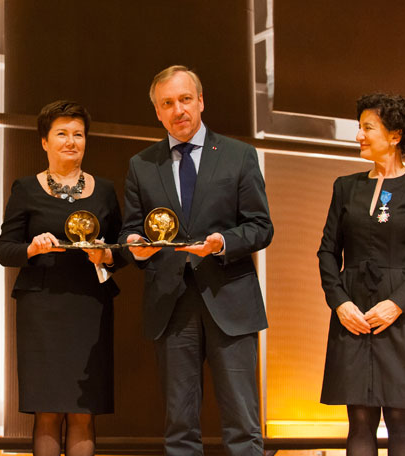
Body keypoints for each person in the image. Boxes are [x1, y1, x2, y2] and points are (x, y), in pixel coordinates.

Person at [119, 65, 273, 456]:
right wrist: (134, 245)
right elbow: (130, 230)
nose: (178, 110)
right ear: (157, 111)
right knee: (179, 427)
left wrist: (222, 242)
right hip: (172, 305)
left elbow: (260, 227)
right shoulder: (142, 164)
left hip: (230, 298)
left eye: (185, 99)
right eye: (167, 103)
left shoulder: (239, 155)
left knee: (243, 424)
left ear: (201, 101)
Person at [0, 100, 125, 456]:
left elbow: (122, 250)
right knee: (47, 410)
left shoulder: (104, 191)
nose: (72, 141)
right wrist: (32, 249)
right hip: (42, 308)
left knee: (83, 411)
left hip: (89, 307)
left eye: (79, 134)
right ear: (44, 141)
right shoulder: (25, 188)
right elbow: (5, 249)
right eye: (62, 134)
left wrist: (106, 254)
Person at [318, 93, 405, 455]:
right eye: (359, 127)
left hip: (402, 316)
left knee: (401, 422)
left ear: (395, 135)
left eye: (367, 128)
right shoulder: (345, 186)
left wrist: (396, 304)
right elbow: (327, 251)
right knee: (359, 421)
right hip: (352, 313)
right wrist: (340, 303)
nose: (359, 135)